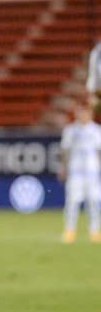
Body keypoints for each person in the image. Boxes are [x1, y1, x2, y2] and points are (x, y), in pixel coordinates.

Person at [59, 102, 101, 243]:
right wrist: (63, 168)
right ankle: (70, 231)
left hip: (92, 172)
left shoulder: (97, 130)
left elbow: (99, 151)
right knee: (72, 202)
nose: (82, 115)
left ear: (90, 114)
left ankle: (95, 231)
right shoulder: (70, 130)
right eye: (80, 112)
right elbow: (65, 150)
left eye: (85, 112)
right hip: (75, 172)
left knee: (94, 202)